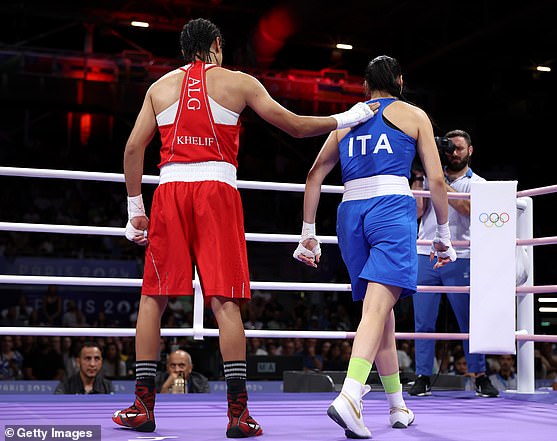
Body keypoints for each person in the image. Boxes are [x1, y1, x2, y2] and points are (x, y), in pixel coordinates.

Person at [112, 17, 378, 438]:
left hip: (169, 190)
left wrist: (135, 209)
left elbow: (132, 148)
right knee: (225, 301)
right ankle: (238, 414)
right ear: (217, 45)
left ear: (185, 50)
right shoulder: (238, 82)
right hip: (217, 191)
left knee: (153, 297)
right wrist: (347, 117)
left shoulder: (158, 88)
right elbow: (294, 125)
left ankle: (143, 407)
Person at [293, 55, 456, 439]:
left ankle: (397, 405)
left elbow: (314, 173)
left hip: (350, 215)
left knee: (380, 313)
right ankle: (350, 395)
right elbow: (435, 178)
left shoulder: (349, 118)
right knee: (378, 308)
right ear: (399, 80)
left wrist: (307, 232)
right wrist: (444, 236)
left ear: (366, 87)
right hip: (390, 210)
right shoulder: (414, 115)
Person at [408, 129, 499, 399]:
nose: (454, 153)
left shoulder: (478, 183)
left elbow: (469, 212)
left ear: (470, 151)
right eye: (450, 149)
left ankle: (480, 376)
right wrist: (420, 177)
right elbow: (416, 212)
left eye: (460, 148)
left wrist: (439, 182)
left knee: (468, 321)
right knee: (423, 322)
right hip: (426, 253)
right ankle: (423, 375)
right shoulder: (427, 180)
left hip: (462, 257)